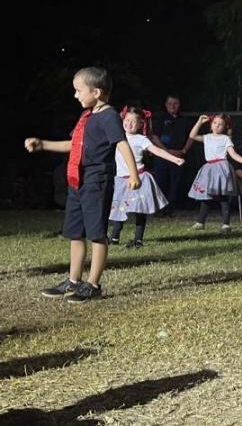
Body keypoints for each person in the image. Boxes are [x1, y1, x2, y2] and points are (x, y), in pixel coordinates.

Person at [26, 67, 141, 303]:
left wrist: (133, 174)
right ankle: (74, 280)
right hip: (77, 179)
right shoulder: (87, 116)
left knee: (96, 233)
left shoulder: (109, 116)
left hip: (97, 180)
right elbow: (74, 145)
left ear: (96, 92)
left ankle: (93, 285)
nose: (75, 95)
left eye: (79, 90)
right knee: (75, 232)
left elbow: (122, 144)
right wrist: (43, 144)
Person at [108, 107, 184, 248]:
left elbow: (156, 151)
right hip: (122, 179)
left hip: (139, 178)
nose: (129, 124)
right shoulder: (118, 137)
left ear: (140, 124)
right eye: (127, 120)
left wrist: (174, 159)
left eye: (133, 121)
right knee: (119, 208)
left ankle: (138, 239)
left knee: (140, 210)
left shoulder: (141, 139)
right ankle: (114, 237)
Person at [187, 114, 242, 232]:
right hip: (209, 169)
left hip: (221, 168)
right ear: (211, 125)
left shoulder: (225, 139)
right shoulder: (207, 137)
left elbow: (233, 154)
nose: (217, 126)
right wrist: (199, 122)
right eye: (215, 123)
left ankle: (226, 224)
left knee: (223, 196)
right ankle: (200, 222)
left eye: (220, 124)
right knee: (206, 196)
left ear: (224, 127)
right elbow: (192, 135)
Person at [150, 94, 194, 208]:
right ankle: (160, 208)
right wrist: (166, 151)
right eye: (170, 104)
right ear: (166, 105)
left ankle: (172, 208)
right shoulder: (160, 119)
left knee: (176, 183)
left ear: (179, 105)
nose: (172, 106)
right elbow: (154, 137)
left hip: (179, 156)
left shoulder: (185, 120)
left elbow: (191, 137)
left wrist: (183, 151)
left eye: (175, 104)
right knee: (161, 181)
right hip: (162, 156)